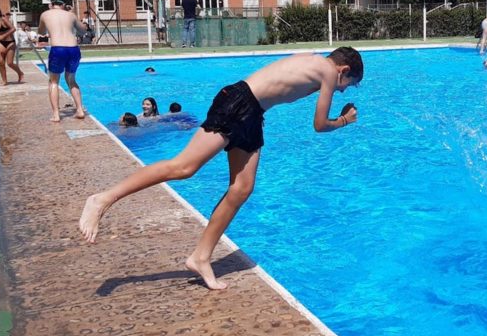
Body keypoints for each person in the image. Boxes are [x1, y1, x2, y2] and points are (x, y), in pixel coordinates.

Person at [80, 47, 364, 290]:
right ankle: (103, 199)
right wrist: (346, 120)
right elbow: (319, 125)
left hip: (252, 112)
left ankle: (200, 257)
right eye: (347, 84)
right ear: (344, 69)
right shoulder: (327, 70)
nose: (342, 90)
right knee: (184, 167)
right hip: (238, 103)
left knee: (242, 188)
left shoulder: (313, 61)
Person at [38, 0, 87, 122]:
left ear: (51, 4)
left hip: (58, 49)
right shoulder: (71, 15)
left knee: (53, 81)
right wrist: (73, 14)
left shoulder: (45, 14)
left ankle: (56, 114)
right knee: (71, 80)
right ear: (64, 5)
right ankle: (80, 110)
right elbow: (83, 31)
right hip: (73, 49)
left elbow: (41, 32)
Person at [0, 5, 24, 84]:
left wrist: (3, 36)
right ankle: (4, 81)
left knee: (9, 63)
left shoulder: (3, 19)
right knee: (1, 62)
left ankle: (20, 73)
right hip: (1, 43)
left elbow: (13, 29)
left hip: (10, 42)